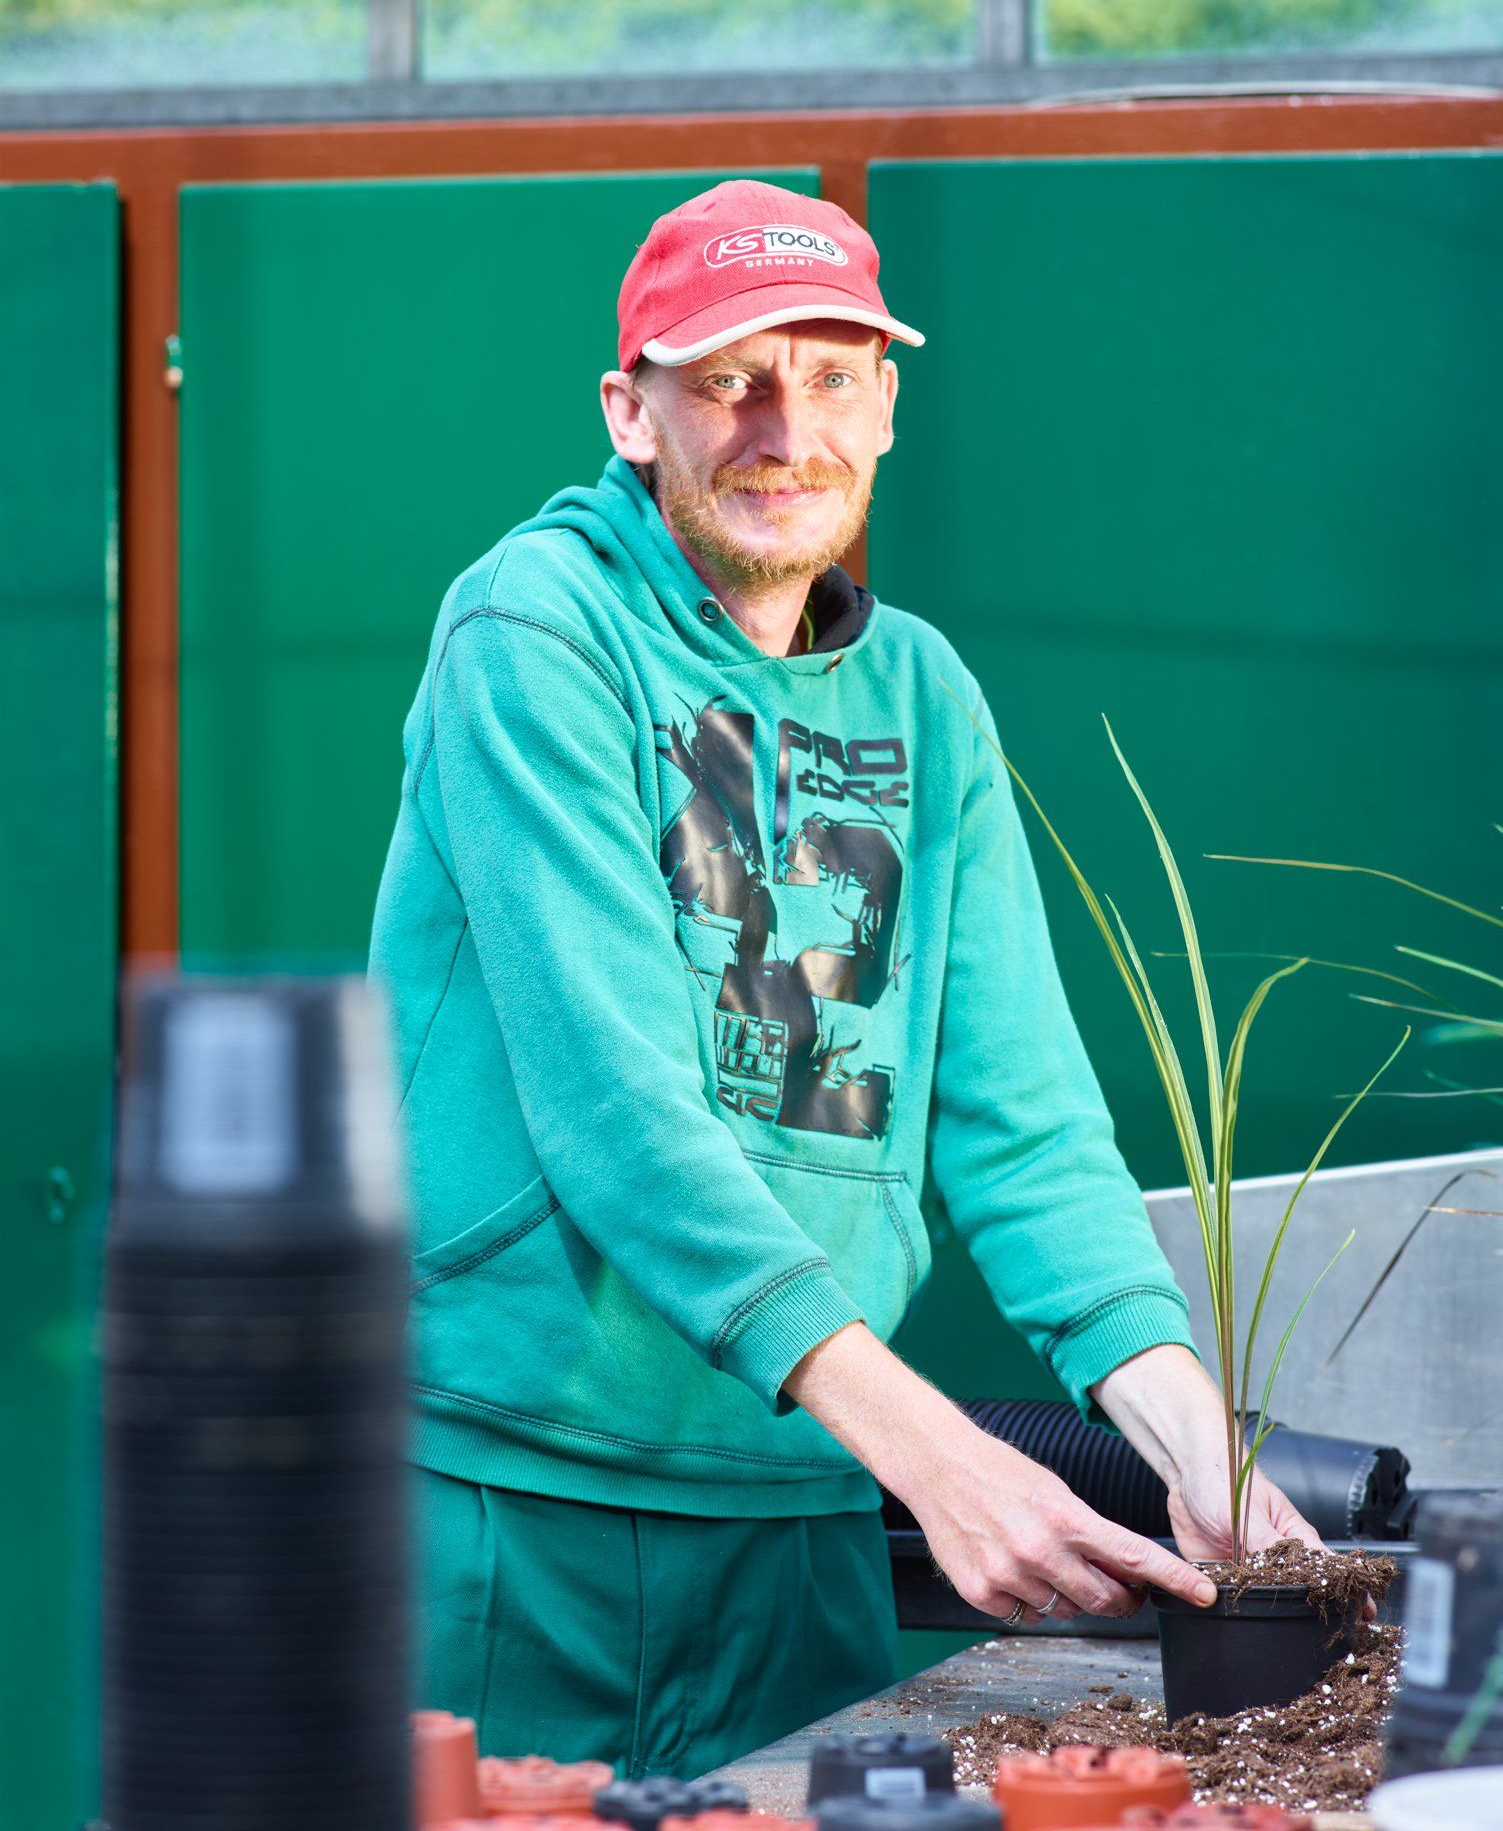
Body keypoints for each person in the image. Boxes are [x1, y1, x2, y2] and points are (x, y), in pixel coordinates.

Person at [367, 178, 1320, 1780]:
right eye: (727, 380)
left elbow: (1025, 1128)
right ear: (631, 412)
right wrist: (934, 1452)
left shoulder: (926, 695)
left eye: (827, 376)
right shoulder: (533, 629)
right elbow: (615, 1108)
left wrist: (1190, 1440)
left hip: (797, 1497)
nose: (781, 429)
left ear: (884, 408)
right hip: (508, 1489)